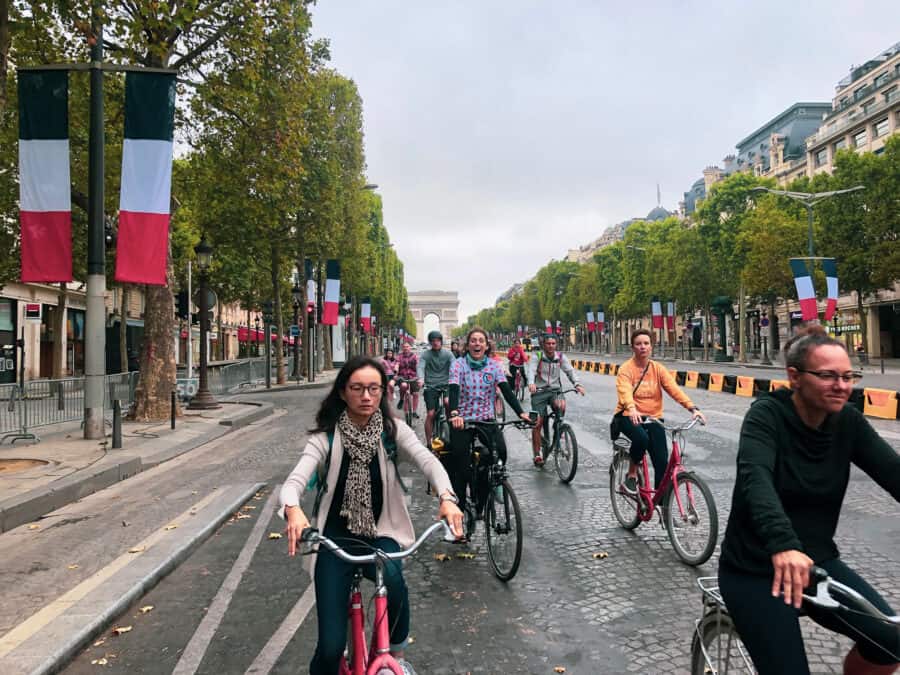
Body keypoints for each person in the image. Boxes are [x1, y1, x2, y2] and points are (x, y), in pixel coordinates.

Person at [718, 325, 900, 675]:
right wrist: (783, 544)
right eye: (828, 376)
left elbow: (893, 472)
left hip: (817, 563)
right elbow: (756, 479)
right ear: (795, 376)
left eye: (849, 376)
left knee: (889, 642)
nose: (842, 386)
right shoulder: (766, 416)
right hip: (755, 569)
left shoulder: (848, 421)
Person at [280, 356, 464, 675]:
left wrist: (447, 498)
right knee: (330, 649)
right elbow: (295, 480)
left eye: (374, 389)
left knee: (394, 578)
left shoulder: (393, 432)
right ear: (342, 392)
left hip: (381, 534)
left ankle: (396, 652)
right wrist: (293, 509)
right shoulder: (325, 438)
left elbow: (429, 462)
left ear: (383, 392)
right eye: (357, 388)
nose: (366, 396)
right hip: (332, 540)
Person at [447, 327, 531, 518]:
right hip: (464, 420)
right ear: (467, 345)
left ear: (486, 345)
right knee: (461, 465)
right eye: (473, 341)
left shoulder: (494, 366)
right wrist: (454, 413)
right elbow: (453, 389)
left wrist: (521, 412)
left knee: (500, 453)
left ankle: (483, 497)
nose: (477, 344)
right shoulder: (458, 365)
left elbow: (506, 391)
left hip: (486, 419)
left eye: (481, 341)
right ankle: (458, 511)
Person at [613, 329, 704, 491]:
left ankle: (662, 508)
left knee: (662, 462)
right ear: (632, 348)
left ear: (651, 347)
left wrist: (693, 408)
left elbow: (674, 389)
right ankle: (632, 475)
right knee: (641, 439)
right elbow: (625, 391)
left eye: (646, 343)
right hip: (629, 416)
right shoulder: (626, 369)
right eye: (638, 344)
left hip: (653, 418)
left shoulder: (658, 369)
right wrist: (632, 408)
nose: (643, 347)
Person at [525, 333, 585, 466]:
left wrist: (577, 384)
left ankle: (557, 426)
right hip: (539, 392)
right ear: (543, 345)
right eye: (548, 344)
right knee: (537, 422)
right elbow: (531, 371)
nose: (551, 346)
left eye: (553, 343)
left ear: (556, 345)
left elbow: (570, 371)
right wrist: (531, 383)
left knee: (561, 405)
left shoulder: (561, 357)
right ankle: (537, 454)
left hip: (555, 390)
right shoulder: (537, 356)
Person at [417, 331, 454, 447]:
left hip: (446, 384)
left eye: (438, 340)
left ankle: (450, 426)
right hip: (431, 385)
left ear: (441, 341)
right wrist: (421, 378)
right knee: (431, 414)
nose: (435, 343)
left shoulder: (448, 354)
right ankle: (428, 442)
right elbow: (420, 367)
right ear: (430, 342)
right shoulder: (425, 355)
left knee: (448, 402)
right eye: (433, 341)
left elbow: (455, 366)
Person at [395, 341, 419, 417]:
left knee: (415, 394)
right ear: (402, 348)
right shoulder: (399, 356)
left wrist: (420, 374)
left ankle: (414, 411)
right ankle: (401, 399)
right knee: (404, 386)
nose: (406, 348)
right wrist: (395, 371)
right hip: (402, 377)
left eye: (407, 346)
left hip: (413, 377)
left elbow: (418, 365)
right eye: (404, 347)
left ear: (410, 348)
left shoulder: (414, 356)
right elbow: (397, 364)